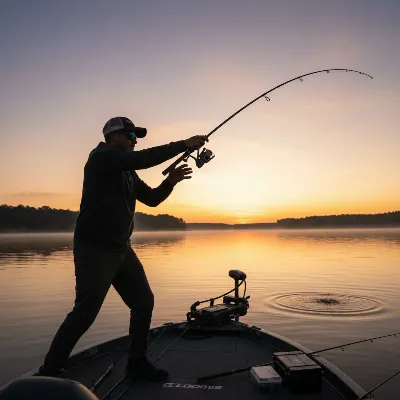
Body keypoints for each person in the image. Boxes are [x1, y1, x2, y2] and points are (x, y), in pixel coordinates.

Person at [38, 116, 208, 380]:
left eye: (136, 137)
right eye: (130, 136)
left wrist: (170, 181)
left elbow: (151, 199)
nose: (134, 141)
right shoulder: (101, 158)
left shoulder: (126, 170)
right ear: (113, 136)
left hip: (121, 249)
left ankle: (136, 363)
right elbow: (140, 158)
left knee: (143, 303)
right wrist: (182, 144)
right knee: (85, 313)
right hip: (94, 250)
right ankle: (48, 373)